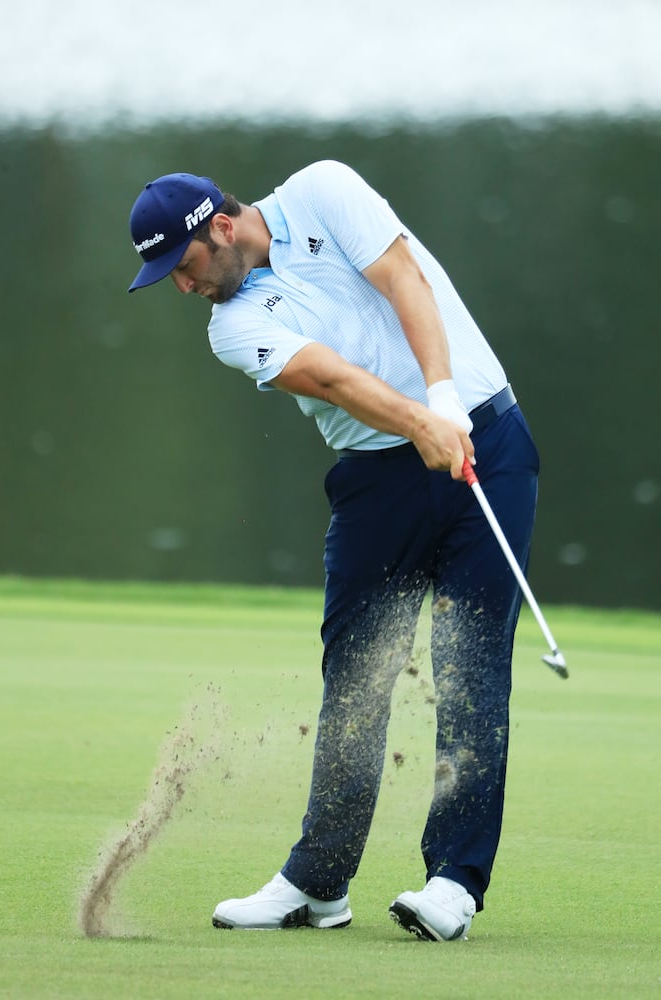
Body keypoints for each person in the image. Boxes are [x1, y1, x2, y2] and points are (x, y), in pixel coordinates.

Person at [128, 160, 539, 942]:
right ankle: (317, 883)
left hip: (486, 444)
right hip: (375, 481)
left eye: (180, 268)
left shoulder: (324, 189)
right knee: (355, 677)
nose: (182, 289)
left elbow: (403, 278)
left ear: (219, 227)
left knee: (471, 667)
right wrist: (421, 424)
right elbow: (331, 377)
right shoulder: (230, 327)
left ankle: (453, 881)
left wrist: (443, 397)